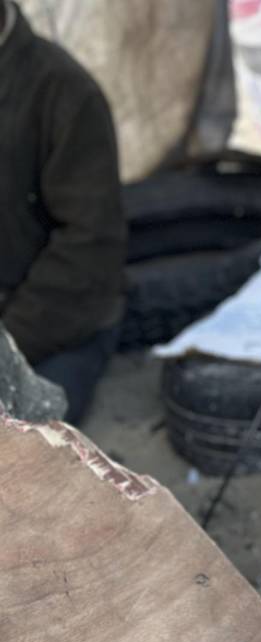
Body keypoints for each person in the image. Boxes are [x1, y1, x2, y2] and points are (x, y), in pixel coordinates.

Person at [0, 0, 126, 424]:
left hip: (51, 325)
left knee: (26, 443)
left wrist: (8, 347)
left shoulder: (65, 92)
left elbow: (90, 248)